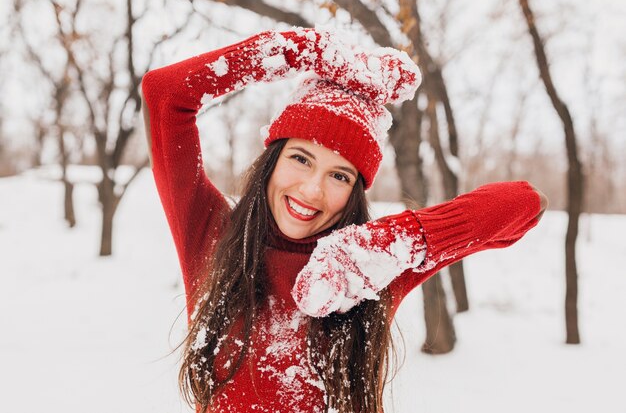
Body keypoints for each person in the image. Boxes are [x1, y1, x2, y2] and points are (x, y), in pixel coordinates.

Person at [141, 27, 547, 413]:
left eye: (339, 176)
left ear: (355, 191)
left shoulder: (371, 271)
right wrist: (295, 49)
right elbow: (165, 93)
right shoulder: (212, 234)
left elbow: (524, 203)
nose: (312, 190)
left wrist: (382, 248)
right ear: (272, 160)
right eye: (300, 159)